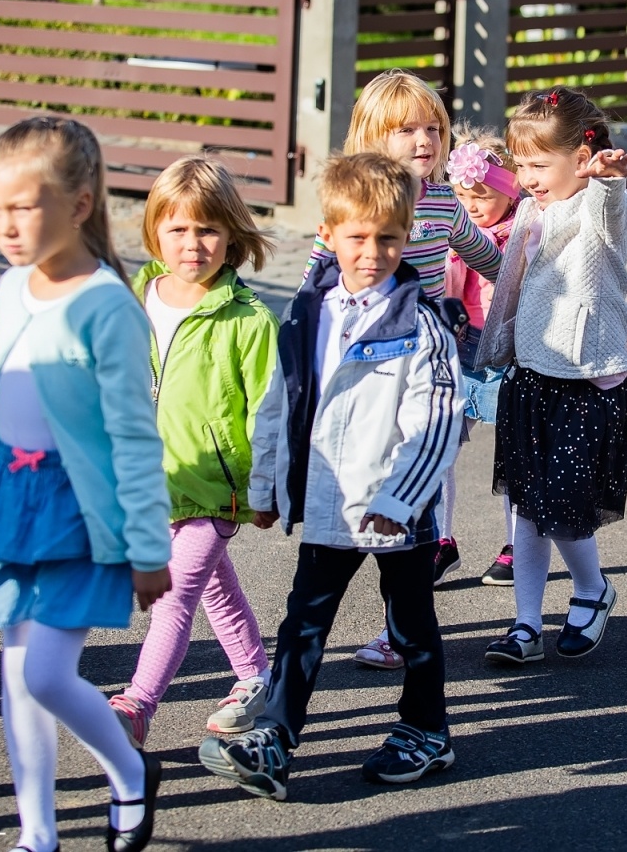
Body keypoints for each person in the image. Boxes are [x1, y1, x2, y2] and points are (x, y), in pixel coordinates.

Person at [199, 152, 463, 798]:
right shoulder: (309, 314)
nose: (373, 252)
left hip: (397, 512)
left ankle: (426, 731)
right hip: (329, 502)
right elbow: (278, 403)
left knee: (411, 627)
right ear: (329, 235)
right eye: (358, 237)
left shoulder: (419, 324)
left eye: (389, 238)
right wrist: (266, 486)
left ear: (407, 238)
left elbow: (437, 421)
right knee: (303, 624)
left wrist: (400, 500)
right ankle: (277, 739)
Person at [0, 117, 171, 852]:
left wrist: (148, 548)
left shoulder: (108, 305)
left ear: (80, 205)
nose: (5, 226)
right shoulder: (12, 285)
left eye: (24, 207)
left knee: (46, 675)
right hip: (13, 505)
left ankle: (129, 770)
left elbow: (134, 439)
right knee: (17, 678)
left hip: (81, 512)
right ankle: (38, 837)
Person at [307, 70, 499, 671]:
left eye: (434, 128)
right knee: (363, 499)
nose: (424, 140)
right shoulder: (353, 209)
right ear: (371, 136)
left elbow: (489, 256)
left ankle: (402, 631)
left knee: (411, 487)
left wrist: (534, 264)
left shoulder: (443, 203)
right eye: (406, 130)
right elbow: (315, 282)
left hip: (426, 367)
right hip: (359, 372)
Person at [105, 157, 278, 749]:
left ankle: (136, 704)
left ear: (232, 233)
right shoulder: (135, 293)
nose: (192, 243)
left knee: (175, 593)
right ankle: (257, 676)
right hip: (148, 477)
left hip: (214, 482)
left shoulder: (249, 319)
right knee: (213, 586)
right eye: (177, 229)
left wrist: (266, 484)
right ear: (155, 231)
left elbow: (266, 409)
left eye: (207, 229)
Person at [475, 87, 627, 664]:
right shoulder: (530, 206)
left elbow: (608, 210)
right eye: (520, 165)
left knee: (565, 509)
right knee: (528, 507)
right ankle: (525, 625)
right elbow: (509, 265)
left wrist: (609, 178)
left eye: (538, 164)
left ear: (581, 156)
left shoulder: (602, 205)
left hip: (583, 383)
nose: (526, 177)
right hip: (531, 376)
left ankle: (593, 589)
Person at [442, 128, 524, 587]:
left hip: (503, 349)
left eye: (480, 195)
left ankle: (517, 544)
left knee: (512, 453)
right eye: (460, 194)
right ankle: (440, 540)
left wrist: (464, 239)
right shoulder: (452, 227)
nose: (469, 205)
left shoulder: (520, 228)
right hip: (458, 345)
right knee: (440, 447)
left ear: (508, 192)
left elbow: (495, 259)